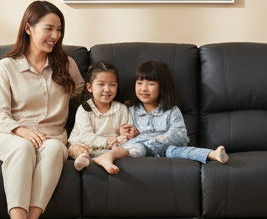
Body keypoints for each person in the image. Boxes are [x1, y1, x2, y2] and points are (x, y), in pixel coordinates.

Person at [0, 0, 84, 219]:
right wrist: (21, 130)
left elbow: (82, 93)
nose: (55, 36)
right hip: (10, 136)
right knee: (23, 148)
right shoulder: (6, 67)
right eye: (49, 28)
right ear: (29, 28)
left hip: (52, 137)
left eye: (59, 30)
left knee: (53, 149)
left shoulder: (66, 65)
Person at [89, 59, 228, 174]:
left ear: (162, 87)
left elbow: (180, 136)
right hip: (139, 151)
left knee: (178, 150)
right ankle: (106, 156)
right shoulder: (130, 111)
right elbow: (127, 139)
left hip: (168, 150)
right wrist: (131, 134)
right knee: (137, 147)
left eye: (150, 84)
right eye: (139, 83)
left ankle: (213, 154)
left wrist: (152, 140)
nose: (143, 88)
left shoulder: (171, 111)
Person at [67, 61, 132, 172]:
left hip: (110, 148)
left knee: (126, 149)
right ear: (90, 87)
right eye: (101, 84)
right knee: (74, 148)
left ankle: (103, 158)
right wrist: (106, 142)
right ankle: (84, 158)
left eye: (112, 85)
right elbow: (86, 136)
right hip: (86, 145)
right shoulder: (84, 109)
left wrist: (122, 137)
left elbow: (127, 133)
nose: (107, 89)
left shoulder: (121, 109)